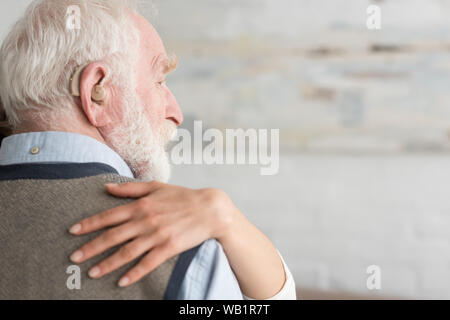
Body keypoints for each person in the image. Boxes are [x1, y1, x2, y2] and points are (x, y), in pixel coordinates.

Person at [0, 0, 295, 300]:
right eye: (160, 80)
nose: (176, 113)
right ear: (96, 92)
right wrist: (226, 219)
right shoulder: (184, 247)